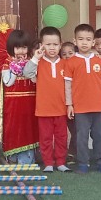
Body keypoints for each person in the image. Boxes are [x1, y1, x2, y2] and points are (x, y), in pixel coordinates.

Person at [64, 26, 101, 174]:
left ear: (93, 42)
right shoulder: (70, 62)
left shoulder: (99, 61)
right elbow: (67, 85)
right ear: (75, 41)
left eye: (88, 39)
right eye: (81, 39)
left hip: (99, 106)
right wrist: (69, 105)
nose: (84, 43)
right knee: (81, 137)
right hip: (80, 108)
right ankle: (83, 163)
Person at [27, 26, 69, 172]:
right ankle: (48, 163)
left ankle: (61, 162)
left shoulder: (65, 63)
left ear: (60, 45)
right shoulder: (38, 63)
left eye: (55, 44)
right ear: (41, 45)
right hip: (43, 109)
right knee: (45, 138)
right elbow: (27, 73)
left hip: (61, 109)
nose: (52, 48)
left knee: (61, 137)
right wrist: (35, 58)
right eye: (48, 44)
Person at [0, 30, 39, 165]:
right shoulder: (7, 62)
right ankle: (12, 157)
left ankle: (27, 158)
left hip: (30, 101)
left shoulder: (32, 61)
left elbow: (35, 80)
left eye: (24, 47)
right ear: (12, 48)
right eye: (17, 47)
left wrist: (29, 68)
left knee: (29, 127)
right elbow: (8, 82)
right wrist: (15, 71)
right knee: (14, 127)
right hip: (13, 103)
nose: (21, 51)